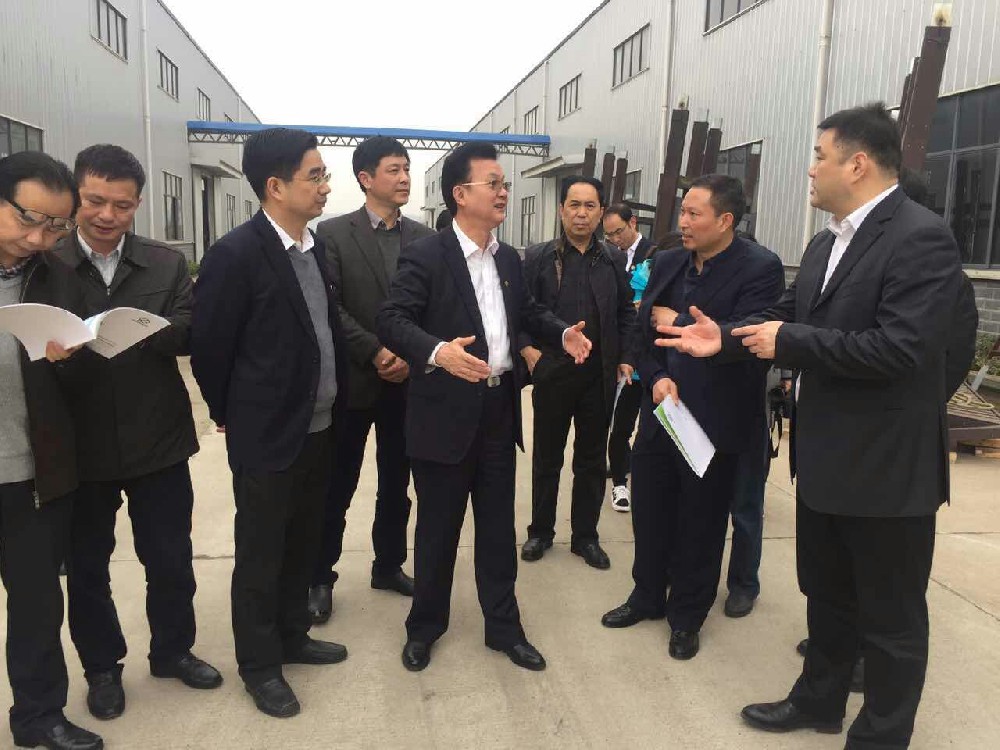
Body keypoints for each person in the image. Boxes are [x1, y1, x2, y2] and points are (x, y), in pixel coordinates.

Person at [656, 104, 968, 748]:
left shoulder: (920, 237)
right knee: (826, 598)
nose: (811, 169)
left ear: (858, 164)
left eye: (820, 156)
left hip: (886, 470)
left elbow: (904, 349)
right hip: (826, 459)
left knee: (890, 620)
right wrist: (727, 338)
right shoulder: (827, 241)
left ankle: (881, 735)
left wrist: (789, 341)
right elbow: (788, 315)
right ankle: (819, 700)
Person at [376, 142, 592, 673]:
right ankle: (425, 627)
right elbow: (392, 319)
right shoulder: (426, 254)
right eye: (493, 183)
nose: (503, 192)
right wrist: (437, 352)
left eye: (504, 184)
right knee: (437, 532)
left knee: (497, 531)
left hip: (498, 411)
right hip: (443, 414)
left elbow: (527, 311)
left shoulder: (508, 258)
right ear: (460, 193)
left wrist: (561, 333)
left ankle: (504, 628)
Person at [53, 144, 221, 722]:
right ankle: (102, 670)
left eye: (122, 206)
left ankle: (173, 651)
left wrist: (144, 330)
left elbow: (191, 328)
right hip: (79, 448)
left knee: (170, 558)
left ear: (138, 204)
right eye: (95, 201)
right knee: (87, 568)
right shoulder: (47, 264)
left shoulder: (165, 263)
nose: (107, 216)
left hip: (158, 439)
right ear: (76, 196)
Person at [191, 128, 349, 718]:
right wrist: (230, 413)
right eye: (315, 175)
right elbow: (210, 348)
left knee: (302, 541)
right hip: (267, 434)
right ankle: (259, 665)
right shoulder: (236, 254)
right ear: (276, 186)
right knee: (261, 554)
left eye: (324, 174)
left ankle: (292, 635)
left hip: (319, 426)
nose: (325, 186)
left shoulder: (314, 248)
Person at [601, 174, 784, 661]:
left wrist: (677, 322)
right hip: (663, 411)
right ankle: (646, 595)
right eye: (682, 212)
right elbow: (643, 332)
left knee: (701, 523)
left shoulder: (760, 268)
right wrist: (658, 378)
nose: (682, 222)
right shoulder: (668, 262)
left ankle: (686, 616)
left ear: (725, 220)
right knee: (650, 510)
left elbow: (750, 336)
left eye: (693, 214)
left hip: (714, 421)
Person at [0, 151, 103, 750]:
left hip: (32, 474)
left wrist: (69, 363)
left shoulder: (58, 281)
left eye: (55, 228)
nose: (40, 239)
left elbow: (85, 386)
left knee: (38, 605)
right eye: (29, 220)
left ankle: (39, 718)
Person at [308, 137, 434, 624]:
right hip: (354, 382)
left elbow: (431, 305)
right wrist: (376, 351)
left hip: (408, 384)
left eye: (407, 169)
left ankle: (388, 566)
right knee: (336, 484)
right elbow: (329, 306)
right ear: (365, 178)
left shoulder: (423, 238)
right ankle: (320, 577)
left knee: (397, 484)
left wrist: (410, 353)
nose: (404, 178)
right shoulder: (332, 234)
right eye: (394, 169)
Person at [518, 179, 635, 569]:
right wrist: (528, 350)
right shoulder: (538, 257)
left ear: (601, 212)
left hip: (597, 376)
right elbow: (519, 310)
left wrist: (626, 356)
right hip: (552, 372)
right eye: (574, 205)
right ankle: (540, 531)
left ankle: (586, 536)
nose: (581, 214)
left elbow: (626, 313)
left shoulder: (613, 259)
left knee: (591, 460)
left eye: (589, 206)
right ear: (561, 210)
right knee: (547, 457)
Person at [602, 203, 655, 511]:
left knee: (648, 427)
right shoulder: (608, 256)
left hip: (649, 356)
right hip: (622, 353)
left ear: (633, 222)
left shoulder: (657, 254)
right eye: (608, 235)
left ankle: (633, 467)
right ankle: (619, 482)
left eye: (618, 232)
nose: (614, 239)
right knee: (619, 423)